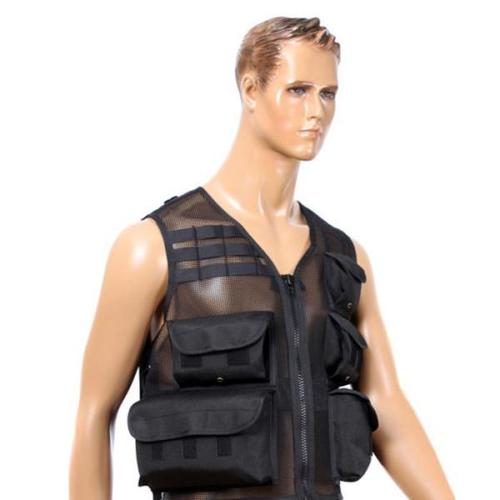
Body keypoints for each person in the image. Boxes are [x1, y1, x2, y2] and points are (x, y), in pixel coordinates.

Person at [69, 16, 455, 500]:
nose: (316, 111)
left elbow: (387, 405)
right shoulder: (154, 248)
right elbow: (94, 413)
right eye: (297, 90)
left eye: (328, 94)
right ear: (251, 89)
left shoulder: (343, 260)